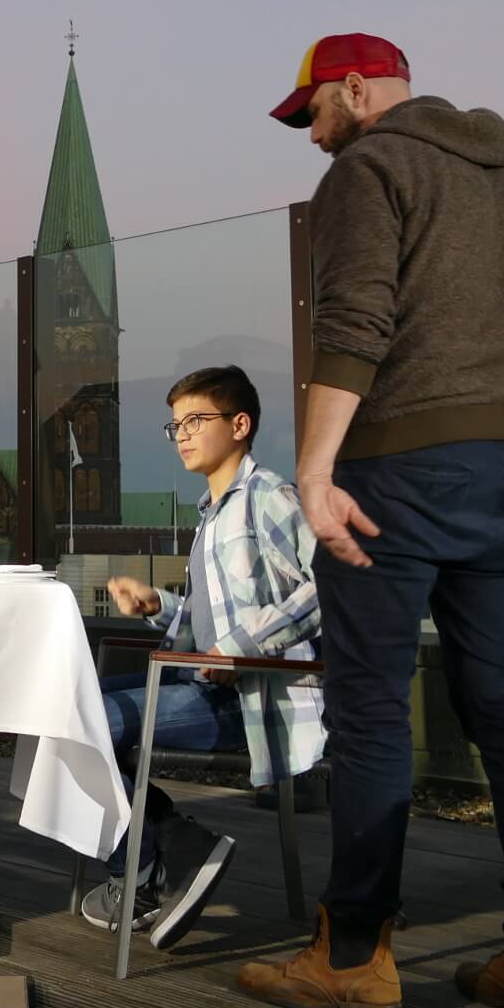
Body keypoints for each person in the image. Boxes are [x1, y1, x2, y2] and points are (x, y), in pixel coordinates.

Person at [236, 34, 504, 1008]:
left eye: (313, 110)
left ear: (355, 90)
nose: (311, 132)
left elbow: (352, 319)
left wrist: (314, 472)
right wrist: (480, 383)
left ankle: (353, 954)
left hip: (393, 472)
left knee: (369, 708)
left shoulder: (369, 168)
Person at [81, 365, 323, 950]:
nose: (183, 434)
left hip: (249, 702)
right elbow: (206, 619)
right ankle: (175, 844)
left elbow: (327, 589)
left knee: (86, 722)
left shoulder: (269, 497)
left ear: (240, 425)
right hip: (204, 688)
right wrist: (157, 605)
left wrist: (239, 650)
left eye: (196, 420)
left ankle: (140, 872)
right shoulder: (210, 515)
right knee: (65, 710)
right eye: (176, 425)